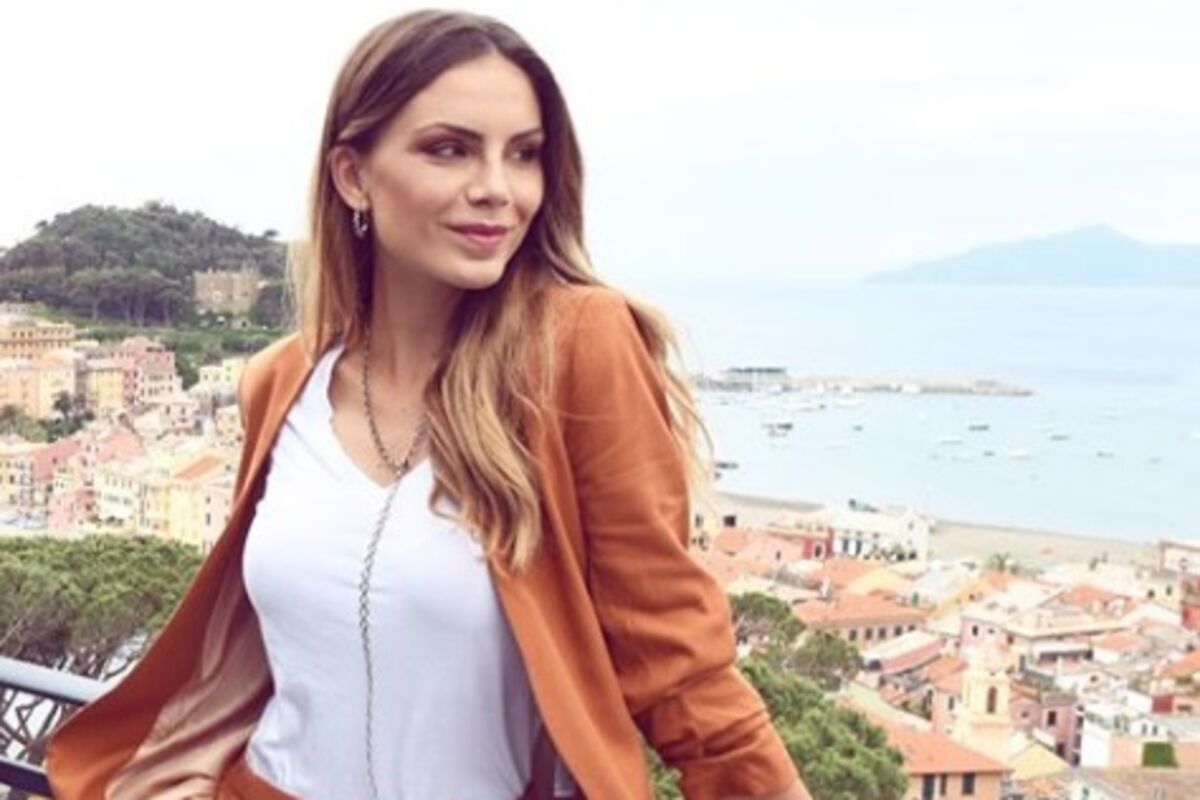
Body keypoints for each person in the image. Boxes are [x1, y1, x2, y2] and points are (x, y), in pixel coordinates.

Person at [44, 9, 811, 800]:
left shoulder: (579, 347)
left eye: (524, 154)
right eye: (449, 149)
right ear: (353, 176)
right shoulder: (280, 381)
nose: (497, 190)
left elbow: (676, 659)